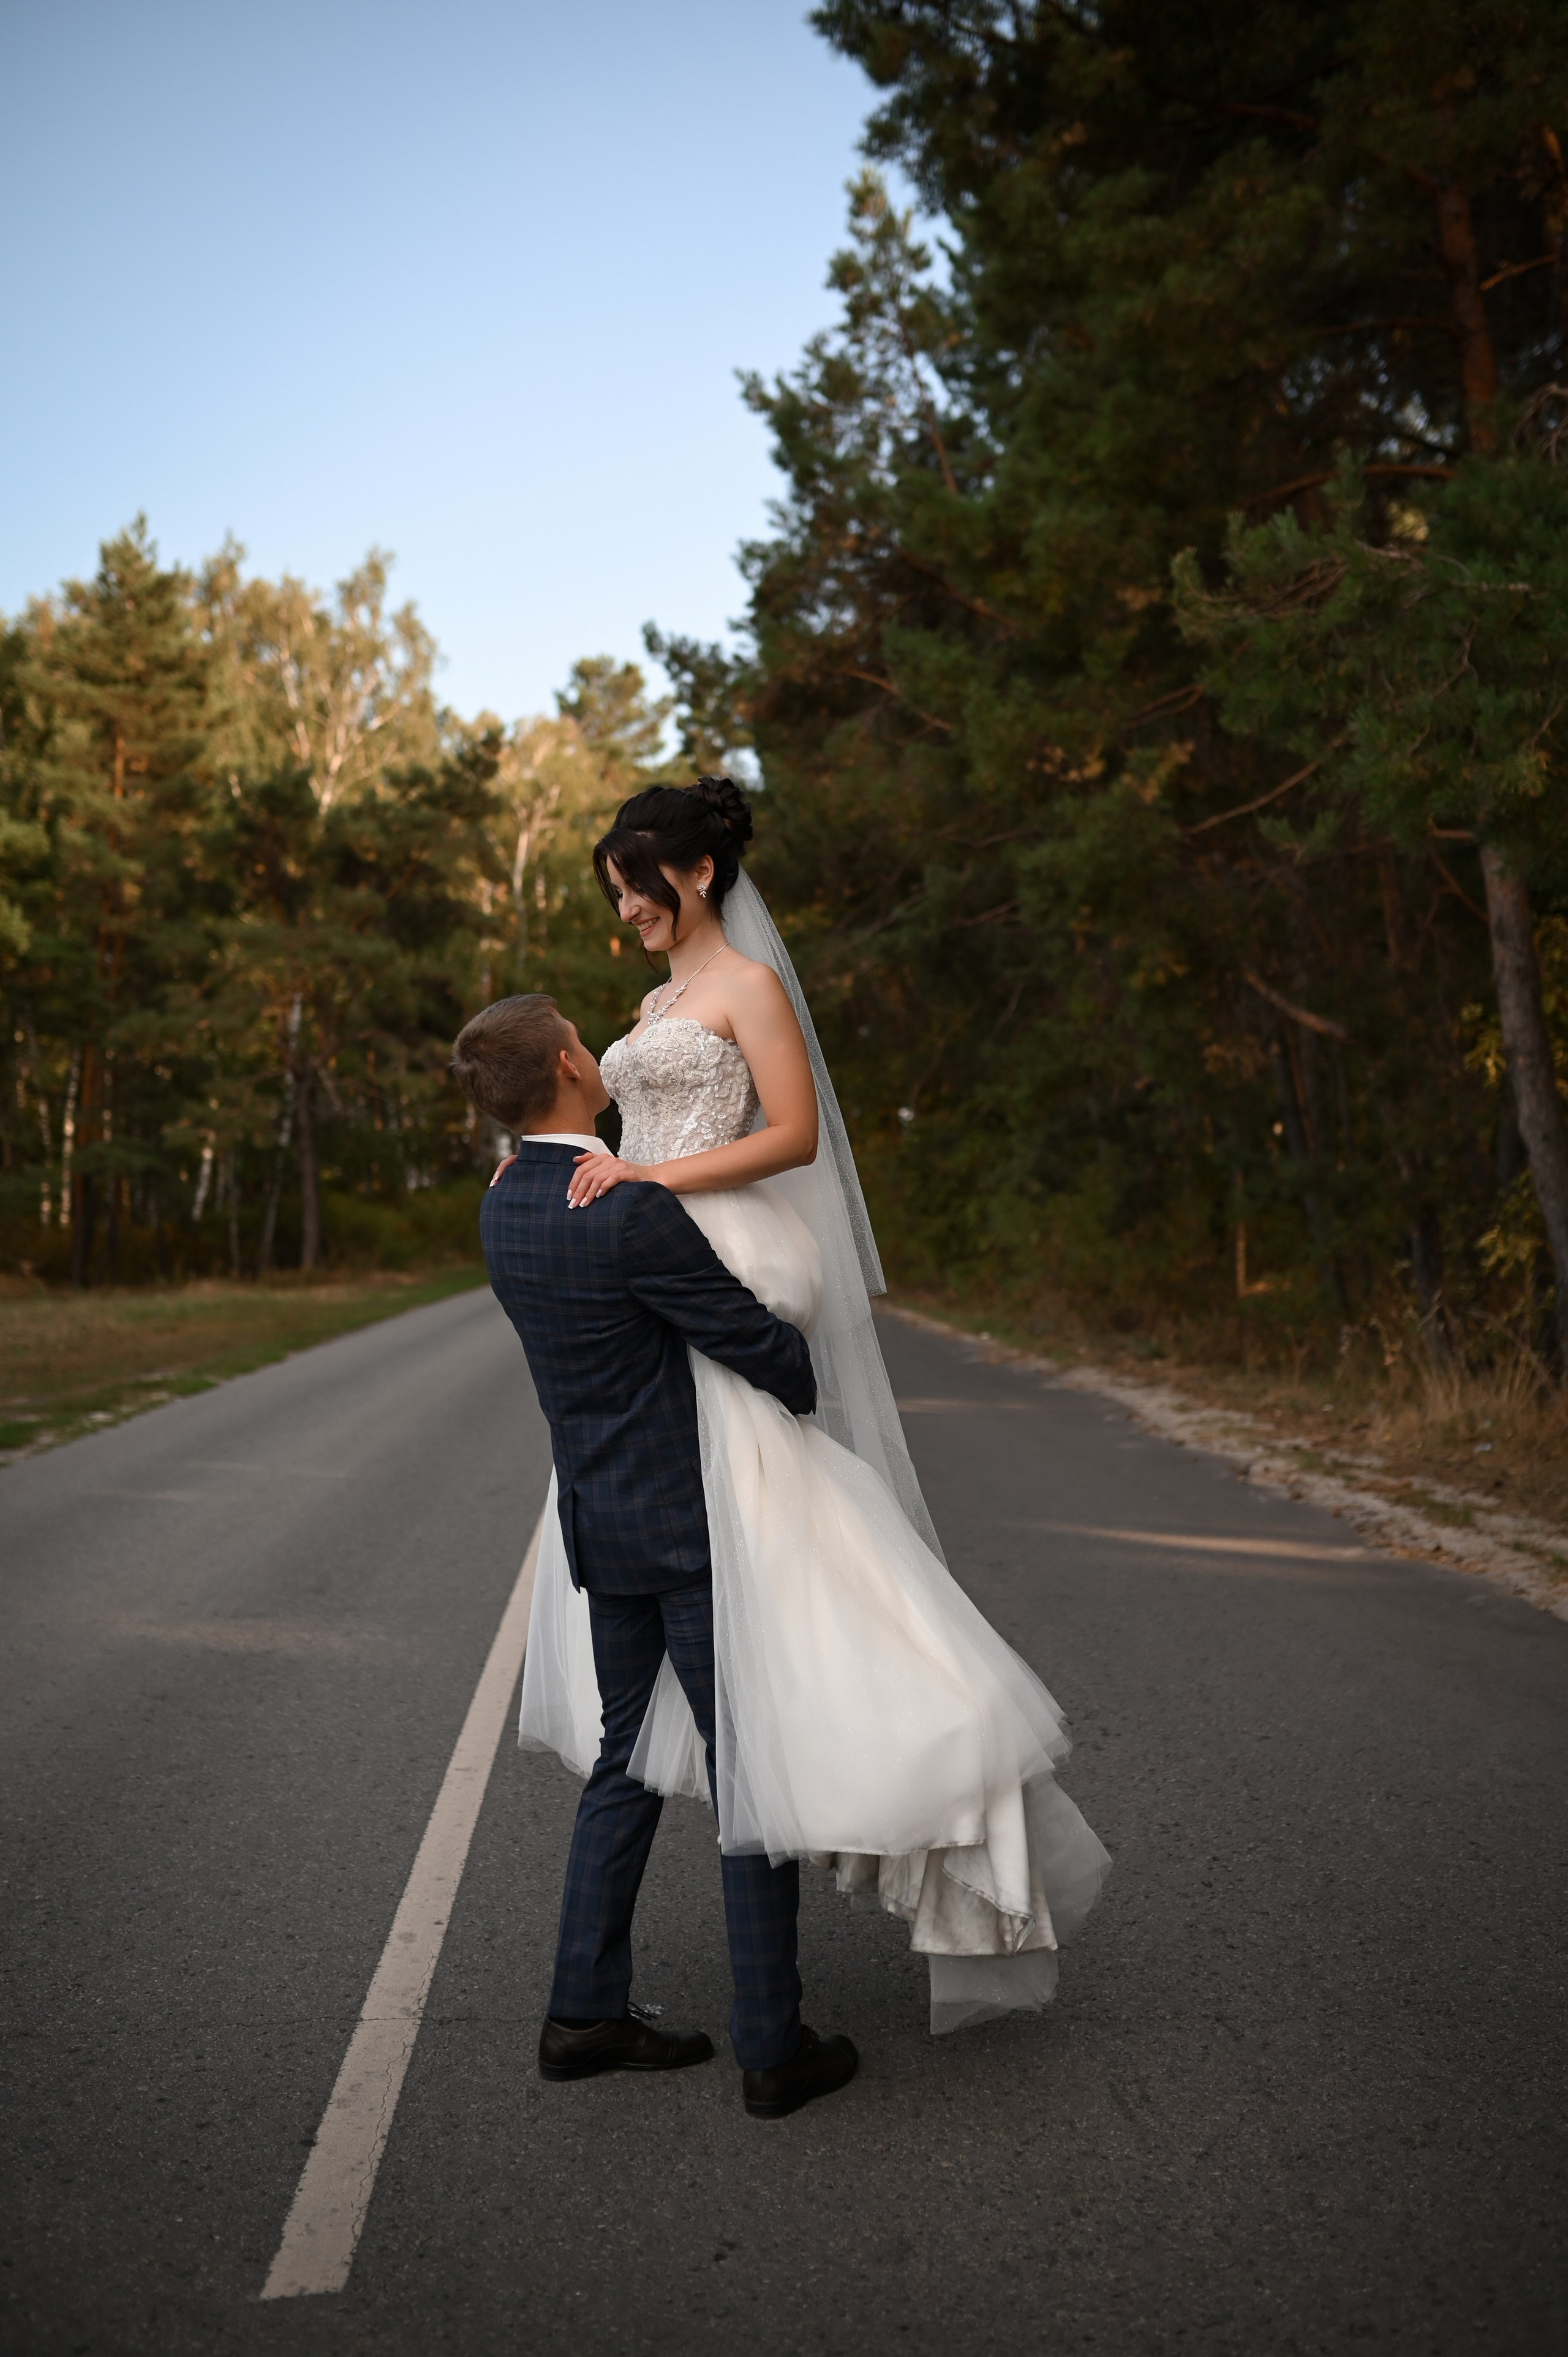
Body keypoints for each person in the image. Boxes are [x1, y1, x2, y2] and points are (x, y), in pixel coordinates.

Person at [504, 777, 1110, 2042]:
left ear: (700, 876)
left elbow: (786, 1136)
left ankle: (862, 1789)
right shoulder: (658, 1004)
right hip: (654, 1247)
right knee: (704, 1644)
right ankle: (757, 2002)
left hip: (711, 1239)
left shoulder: (750, 991)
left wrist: (647, 1174)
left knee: (778, 1583)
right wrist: (569, 1161)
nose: (625, 913)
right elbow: (612, 1126)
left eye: (637, 888)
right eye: (613, 896)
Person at [454, 990, 859, 2119]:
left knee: (624, 1753)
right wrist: (803, 1361)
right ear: (575, 1067)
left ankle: (583, 2012)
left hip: (599, 1516)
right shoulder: (627, 1214)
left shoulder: (505, 1206)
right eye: (583, 1040)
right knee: (747, 1764)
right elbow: (755, 1346)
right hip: (686, 1526)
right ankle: (773, 2044)